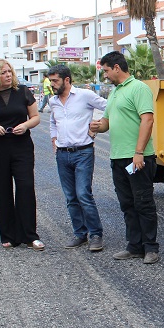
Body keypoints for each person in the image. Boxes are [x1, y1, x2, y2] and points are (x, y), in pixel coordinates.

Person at [90, 51, 159, 264]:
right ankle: (134, 246)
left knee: (143, 203)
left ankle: (150, 248)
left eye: (107, 71)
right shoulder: (114, 93)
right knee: (127, 204)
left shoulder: (139, 88)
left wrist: (138, 153)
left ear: (117, 68)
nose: (105, 75)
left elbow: (147, 120)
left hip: (137, 157)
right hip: (118, 157)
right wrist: (97, 127)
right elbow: (106, 122)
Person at [0, 59, 45, 250]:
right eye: (3, 72)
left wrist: (25, 125)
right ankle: (8, 235)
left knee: (26, 186)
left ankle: (30, 235)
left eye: (9, 72)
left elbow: (35, 117)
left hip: (21, 145)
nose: (7, 75)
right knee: (1, 189)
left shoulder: (23, 91)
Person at [47, 64, 108, 252]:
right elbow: (53, 122)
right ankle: (80, 234)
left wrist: (98, 125)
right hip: (62, 154)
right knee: (70, 197)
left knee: (83, 194)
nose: (52, 85)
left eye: (55, 81)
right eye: (50, 81)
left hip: (83, 152)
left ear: (67, 80)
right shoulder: (53, 102)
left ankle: (96, 234)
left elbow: (110, 107)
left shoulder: (85, 96)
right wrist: (54, 140)